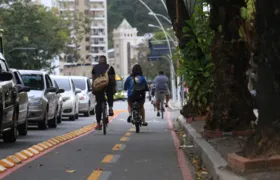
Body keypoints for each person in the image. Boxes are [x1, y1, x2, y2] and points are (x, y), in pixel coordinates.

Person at [92, 55, 116, 130]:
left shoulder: (95, 68)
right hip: (108, 86)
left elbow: (93, 79)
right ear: (106, 60)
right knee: (110, 94)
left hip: (98, 87)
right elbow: (113, 79)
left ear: (99, 60)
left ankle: (98, 124)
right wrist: (114, 88)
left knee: (98, 105)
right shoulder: (110, 68)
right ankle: (110, 108)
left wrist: (93, 89)